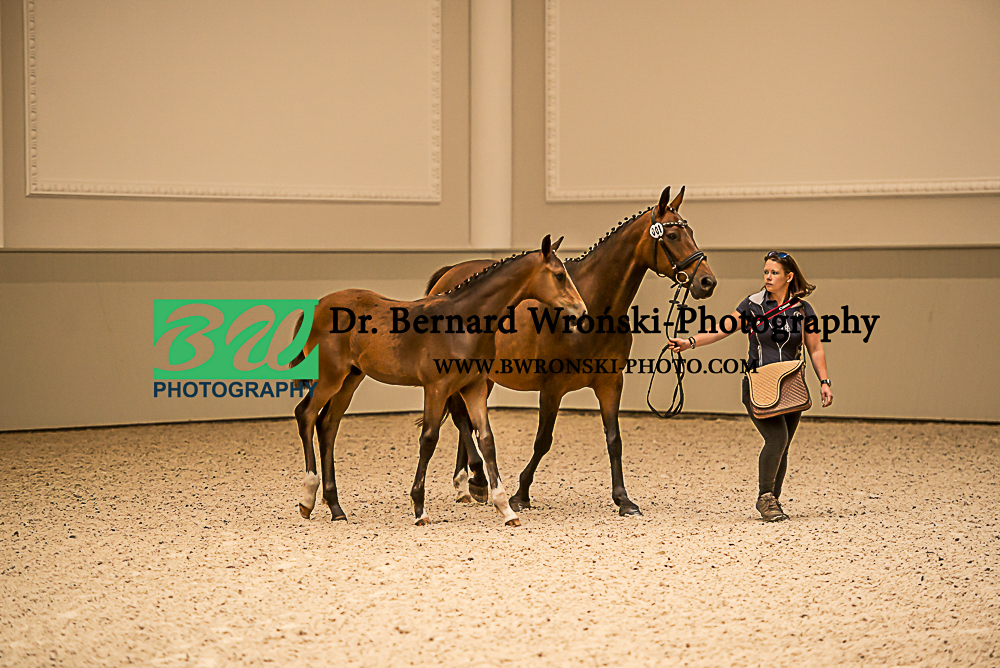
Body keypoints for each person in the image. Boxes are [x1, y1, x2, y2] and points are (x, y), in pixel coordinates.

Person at [667, 250, 833, 522]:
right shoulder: (753, 305)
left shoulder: (803, 310)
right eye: (766, 272)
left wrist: (824, 381)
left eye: (774, 273)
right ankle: (765, 498)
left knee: (783, 445)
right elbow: (722, 328)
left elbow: (815, 347)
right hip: (759, 384)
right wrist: (690, 342)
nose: (768, 277)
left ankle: (773, 501)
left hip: (791, 384)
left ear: (789, 277)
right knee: (776, 439)